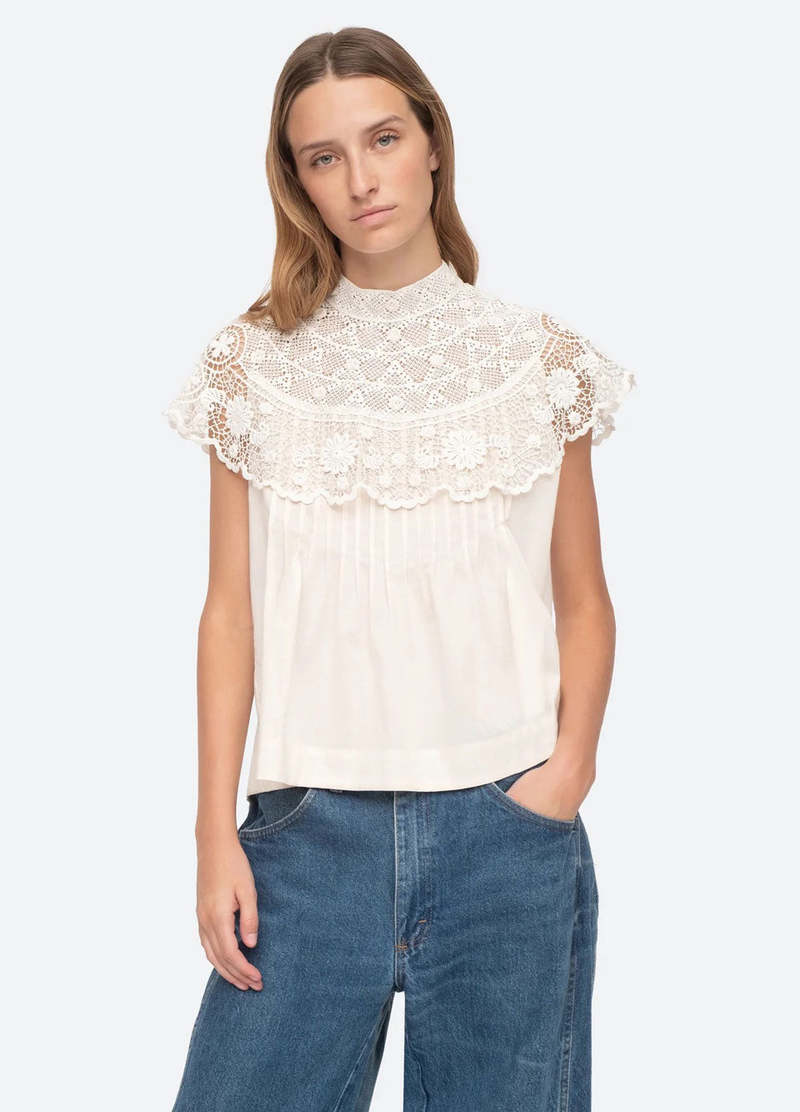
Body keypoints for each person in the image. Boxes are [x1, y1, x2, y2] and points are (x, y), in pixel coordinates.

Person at [162, 26, 636, 1112]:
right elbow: (228, 613)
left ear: (431, 142)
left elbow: (583, 598)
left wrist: (564, 775)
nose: (361, 180)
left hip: (507, 829)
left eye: (382, 139)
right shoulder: (250, 366)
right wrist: (211, 832)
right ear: (297, 182)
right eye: (323, 157)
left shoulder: (538, 359)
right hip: (304, 835)